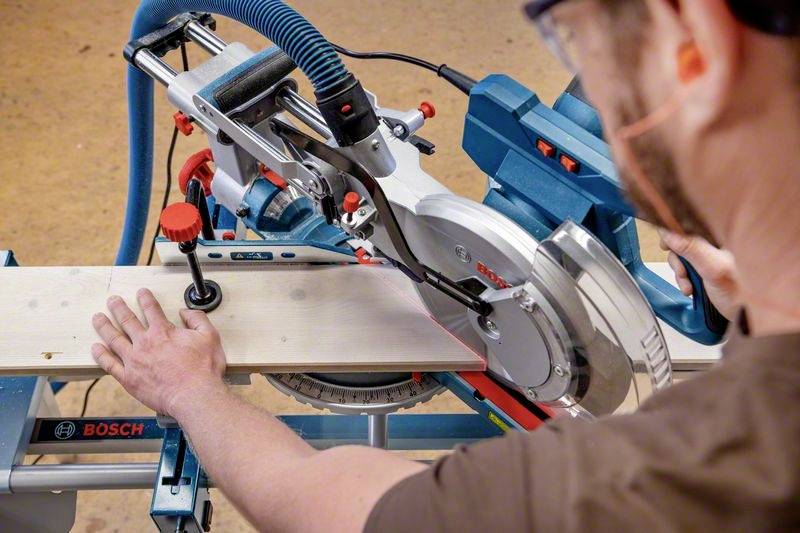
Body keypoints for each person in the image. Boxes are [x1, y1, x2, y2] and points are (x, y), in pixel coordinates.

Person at [90, 0, 799, 530]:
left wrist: (193, 393)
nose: (597, 88)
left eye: (582, 38)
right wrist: (749, 302)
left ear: (699, 49)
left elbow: (315, 502)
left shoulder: (602, 495)